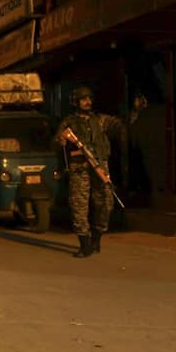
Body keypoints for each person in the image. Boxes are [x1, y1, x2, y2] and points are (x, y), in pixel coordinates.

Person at [55, 85, 127, 258]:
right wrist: (62, 140)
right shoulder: (69, 122)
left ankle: (96, 238)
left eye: (89, 99)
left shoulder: (100, 120)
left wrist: (135, 111)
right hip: (79, 168)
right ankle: (84, 243)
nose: (88, 102)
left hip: (100, 166)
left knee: (106, 202)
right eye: (83, 99)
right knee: (79, 206)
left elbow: (120, 124)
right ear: (76, 102)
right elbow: (57, 142)